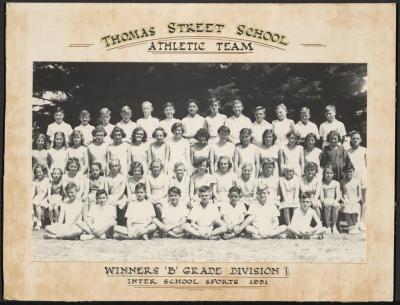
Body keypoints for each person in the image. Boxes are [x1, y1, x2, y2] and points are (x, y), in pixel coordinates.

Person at [345, 130, 367, 231]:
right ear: (351, 140)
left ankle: (362, 221)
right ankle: (355, 221)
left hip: (363, 176)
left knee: (363, 199)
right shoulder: (348, 151)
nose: (355, 140)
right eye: (353, 138)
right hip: (353, 178)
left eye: (357, 138)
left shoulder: (364, 150)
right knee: (354, 199)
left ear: (361, 139)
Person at [340, 162, 362, 234]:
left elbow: (360, 196)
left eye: (350, 171)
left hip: (355, 200)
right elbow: (340, 194)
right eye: (347, 172)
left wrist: (355, 201)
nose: (349, 173)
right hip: (346, 200)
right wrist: (344, 200)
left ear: (353, 171)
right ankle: (350, 226)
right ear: (344, 172)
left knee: (355, 207)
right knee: (347, 207)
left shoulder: (357, 181)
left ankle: (354, 225)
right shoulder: (342, 182)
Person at [105, 159, 127, 224]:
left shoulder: (122, 177)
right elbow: (106, 192)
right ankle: (112, 223)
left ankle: (122, 223)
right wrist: (110, 198)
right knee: (110, 205)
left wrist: (115, 199)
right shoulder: (107, 179)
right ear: (110, 167)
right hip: (111, 196)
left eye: (116, 166)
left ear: (119, 167)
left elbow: (122, 191)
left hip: (120, 197)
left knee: (121, 204)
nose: (114, 168)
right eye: (112, 166)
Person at [320, 164, 341, 234]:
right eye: (327, 173)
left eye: (331, 173)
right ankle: (328, 225)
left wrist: (335, 201)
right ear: (324, 174)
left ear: (333, 174)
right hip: (326, 200)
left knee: (336, 205)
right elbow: (322, 197)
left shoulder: (336, 183)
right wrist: (324, 202)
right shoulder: (322, 184)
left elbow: (338, 196)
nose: (329, 175)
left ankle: (334, 226)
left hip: (334, 200)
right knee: (327, 205)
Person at [32, 164, 49, 230]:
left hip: (45, 197)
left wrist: (39, 199)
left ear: (44, 172)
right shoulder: (35, 182)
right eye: (37, 172)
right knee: (33, 202)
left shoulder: (47, 180)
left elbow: (45, 192)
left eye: (40, 172)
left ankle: (39, 223)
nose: (39, 173)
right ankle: (33, 222)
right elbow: (33, 192)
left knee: (37, 203)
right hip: (38, 197)